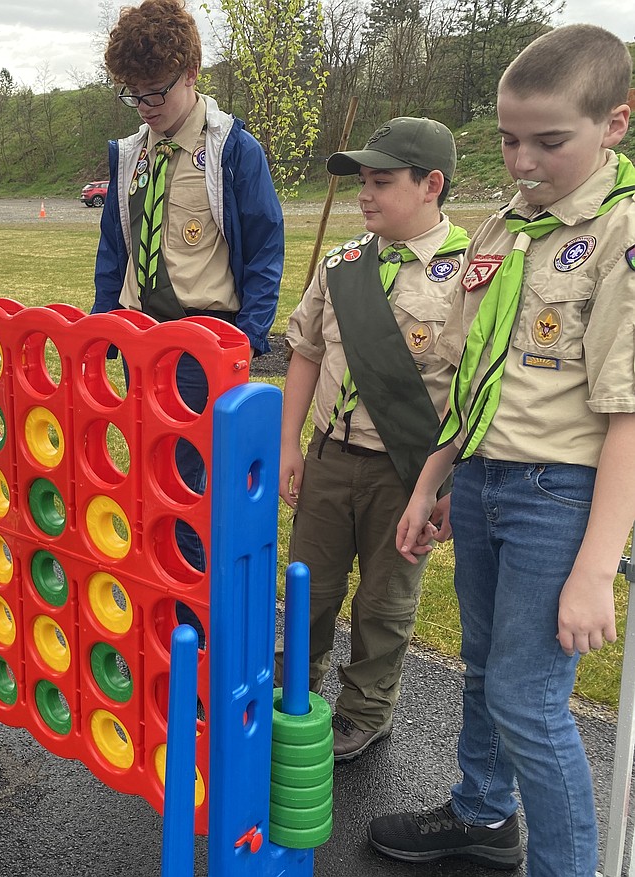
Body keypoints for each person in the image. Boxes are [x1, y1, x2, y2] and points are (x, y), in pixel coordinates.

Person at [368, 24, 634, 877]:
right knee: (485, 671)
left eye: (549, 141)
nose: (522, 160)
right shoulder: (500, 232)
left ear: (615, 125)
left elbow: (628, 414)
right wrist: (431, 484)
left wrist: (597, 566)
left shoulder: (622, 237)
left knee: (530, 699)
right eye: (510, 139)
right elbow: (470, 374)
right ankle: (484, 818)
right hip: (481, 478)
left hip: (560, 493)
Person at [277, 117, 469, 762]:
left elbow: (476, 391)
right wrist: (290, 444)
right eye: (362, 181)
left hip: (406, 475)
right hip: (330, 459)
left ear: (430, 185)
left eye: (381, 182)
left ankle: (365, 710)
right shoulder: (342, 265)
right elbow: (304, 352)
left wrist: (449, 482)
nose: (364, 195)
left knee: (383, 605)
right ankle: (292, 690)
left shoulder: (473, 274)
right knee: (309, 586)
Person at [92, 0, 284, 582]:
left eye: (155, 92)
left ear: (192, 72)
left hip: (205, 341)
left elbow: (266, 247)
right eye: (133, 95)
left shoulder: (231, 151)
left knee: (193, 482)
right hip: (141, 337)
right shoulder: (130, 155)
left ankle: (195, 607)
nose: (145, 108)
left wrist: (247, 336)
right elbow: (114, 248)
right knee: (148, 473)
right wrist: (102, 331)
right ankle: (159, 589)